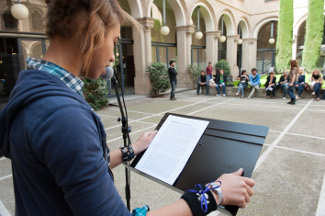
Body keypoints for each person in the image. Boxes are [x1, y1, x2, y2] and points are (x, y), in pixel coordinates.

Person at [0, 1, 255, 216]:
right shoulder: (64, 117)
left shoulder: (30, 92)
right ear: (92, 31)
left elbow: (68, 173)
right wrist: (213, 195)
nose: (113, 56)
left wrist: (130, 150)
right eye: (114, 40)